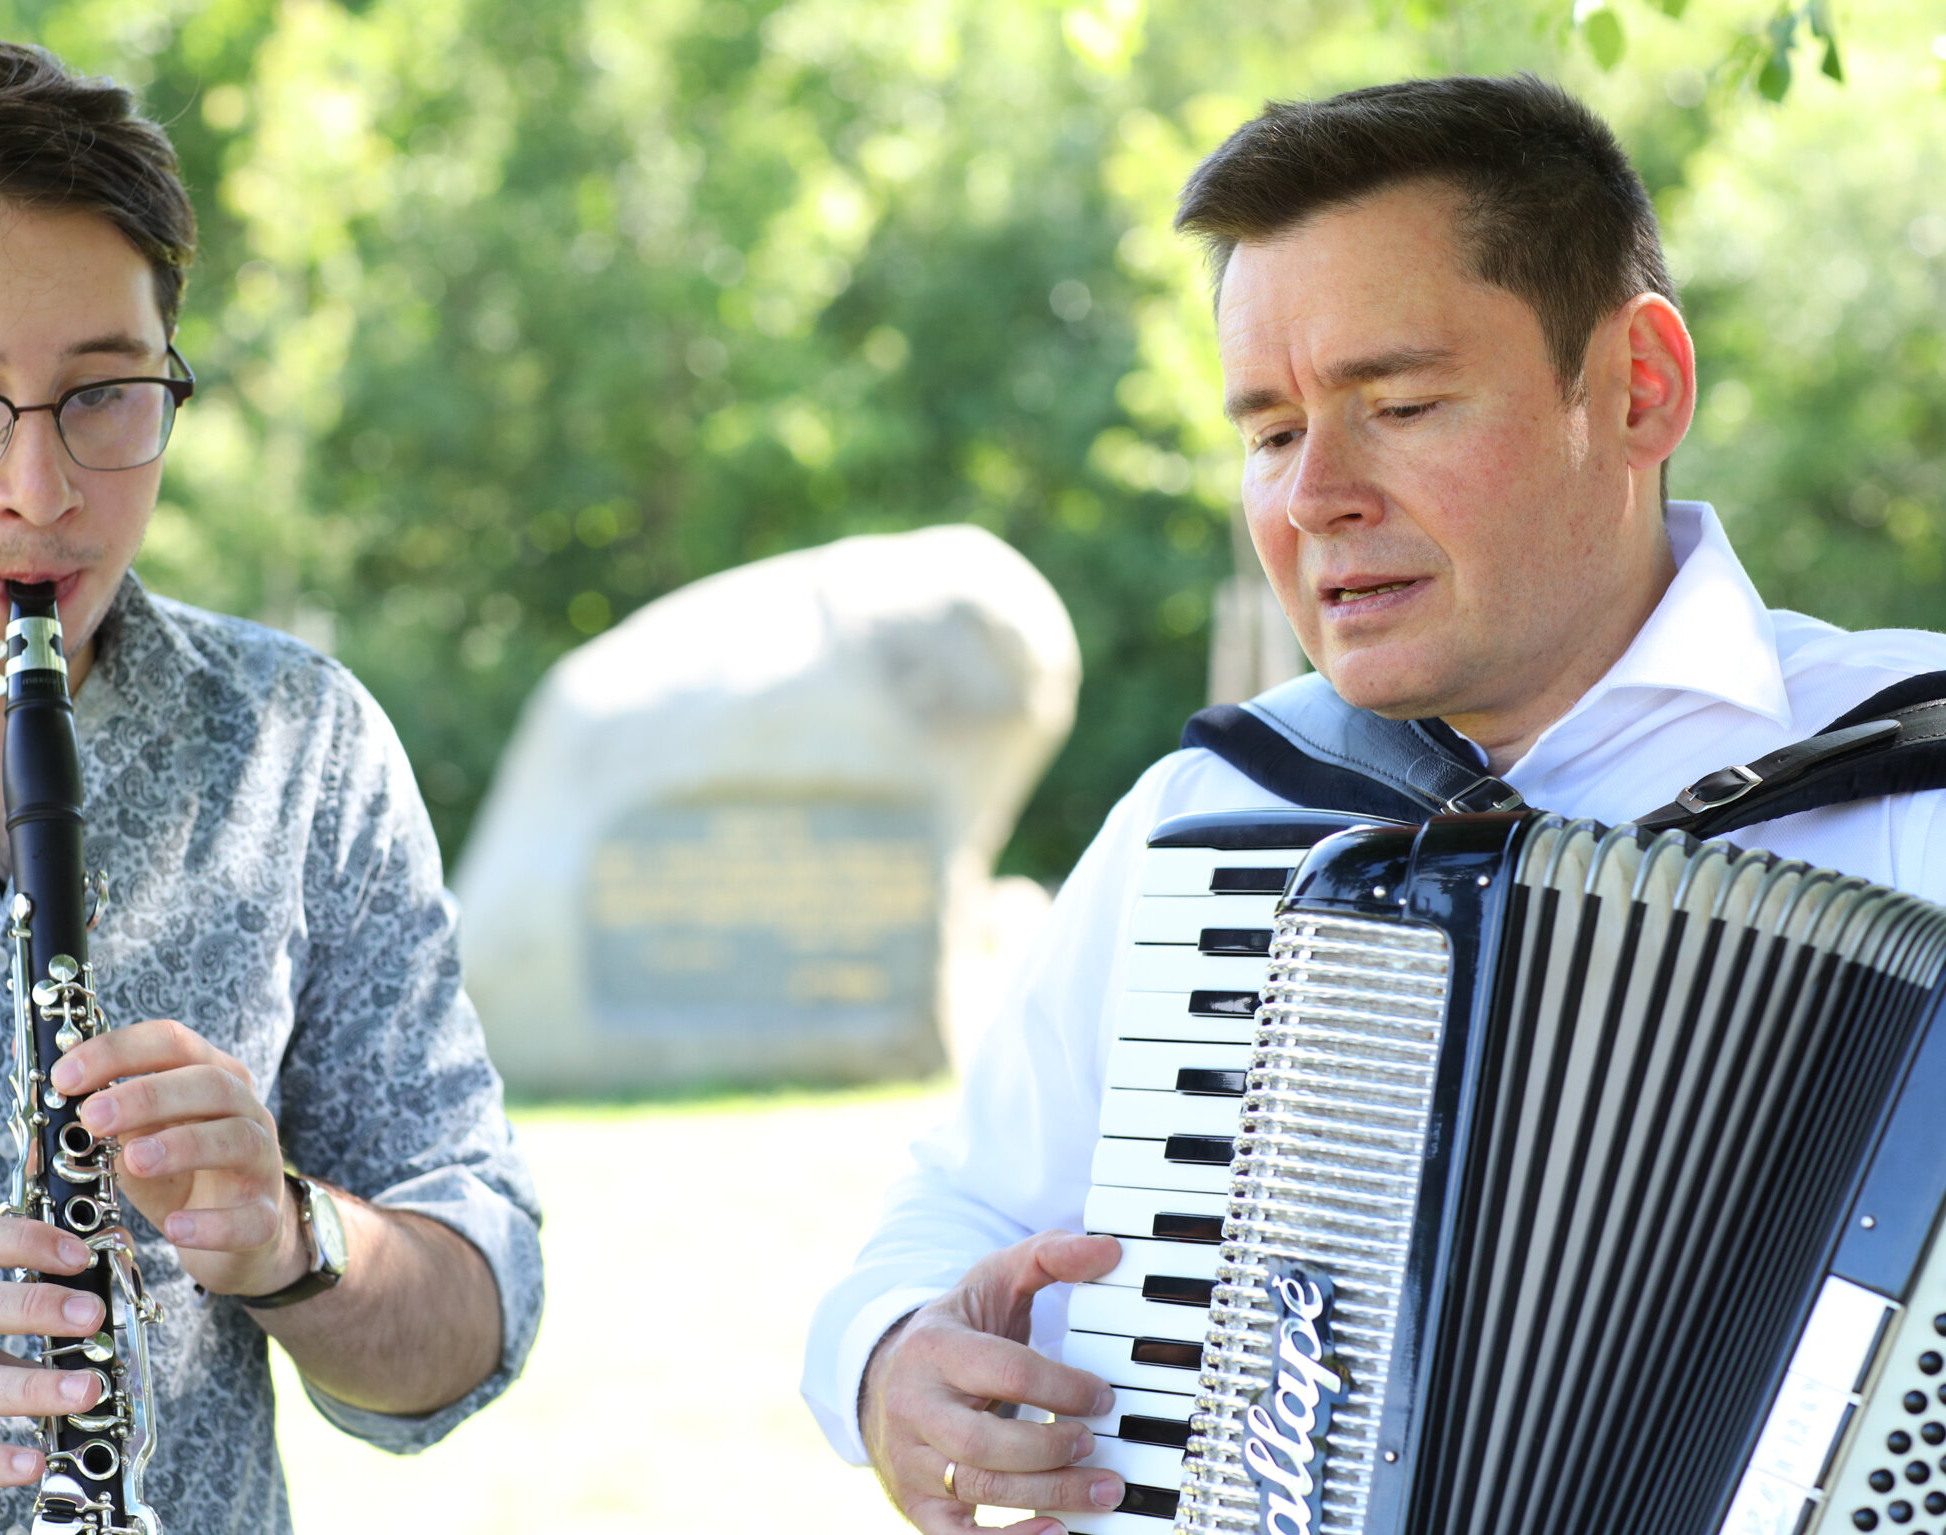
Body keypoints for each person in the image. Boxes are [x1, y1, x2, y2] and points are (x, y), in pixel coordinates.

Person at [803, 74, 1946, 1534]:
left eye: (1398, 405)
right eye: (1271, 434)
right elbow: (949, 1218)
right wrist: (894, 1362)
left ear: (1638, 388)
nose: (1315, 496)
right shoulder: (1215, 816)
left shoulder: (1913, 773)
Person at [0, 35, 541, 1534]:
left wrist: (291, 1237)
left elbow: (471, 1311)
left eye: (107, 394)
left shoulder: (294, 746)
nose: (41, 492)